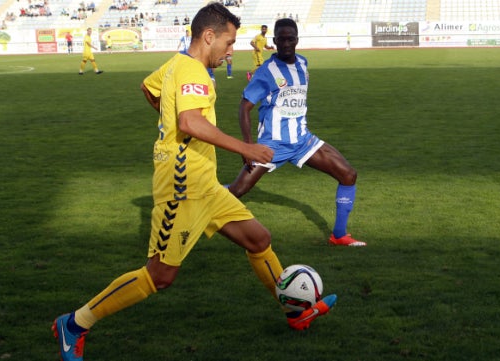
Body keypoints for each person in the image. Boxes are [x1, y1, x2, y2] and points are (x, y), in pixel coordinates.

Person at [52, 4, 337, 361]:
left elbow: (149, 88)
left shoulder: (176, 64)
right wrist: (246, 147)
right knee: (160, 275)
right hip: (182, 186)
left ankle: (296, 312)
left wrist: (168, 116)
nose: (232, 50)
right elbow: (189, 122)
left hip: (206, 184)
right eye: (229, 42)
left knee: (259, 239)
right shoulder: (194, 72)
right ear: (209, 36)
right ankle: (75, 323)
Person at [227, 18, 366, 247]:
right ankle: (198, 202)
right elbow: (244, 107)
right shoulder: (266, 72)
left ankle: (339, 235)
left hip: (303, 141)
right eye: (281, 39)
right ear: (275, 41)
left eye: (290, 38)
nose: (286, 43)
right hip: (272, 145)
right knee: (237, 190)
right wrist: (248, 145)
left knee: (348, 175)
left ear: (297, 40)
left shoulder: (303, 63)